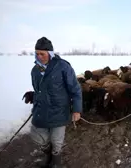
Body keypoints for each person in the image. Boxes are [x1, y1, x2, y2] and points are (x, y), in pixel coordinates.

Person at [22, 37, 82, 168]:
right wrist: (34, 99)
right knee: (36, 135)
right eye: (37, 53)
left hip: (59, 110)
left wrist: (77, 109)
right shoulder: (35, 70)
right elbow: (38, 90)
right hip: (41, 109)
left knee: (57, 140)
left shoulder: (63, 67)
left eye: (42, 53)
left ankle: (56, 160)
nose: (39, 56)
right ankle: (48, 152)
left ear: (50, 53)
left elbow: (75, 89)